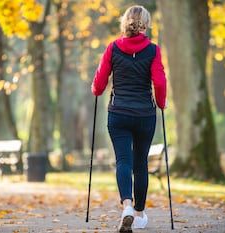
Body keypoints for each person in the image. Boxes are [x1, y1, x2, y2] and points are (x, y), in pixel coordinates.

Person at [91, 5, 167, 233]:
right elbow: (160, 83)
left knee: (123, 161)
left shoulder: (113, 48)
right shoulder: (153, 50)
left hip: (119, 114)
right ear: (146, 24)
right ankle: (140, 213)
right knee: (140, 163)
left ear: (125, 22)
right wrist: (161, 103)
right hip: (144, 114)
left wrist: (96, 89)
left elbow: (100, 81)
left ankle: (127, 206)